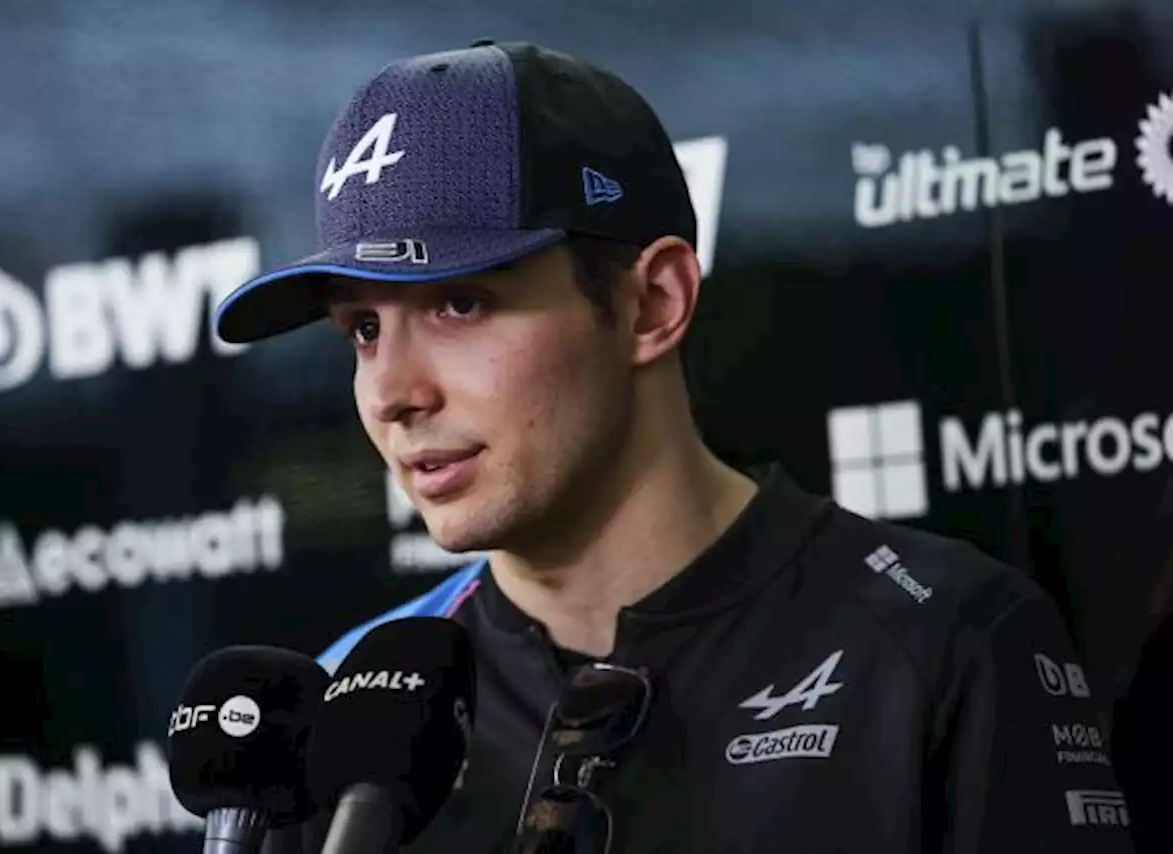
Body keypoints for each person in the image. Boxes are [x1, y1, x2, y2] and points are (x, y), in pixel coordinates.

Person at [216, 40, 1134, 854]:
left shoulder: (947, 646)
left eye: (461, 304)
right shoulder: (346, 705)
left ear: (653, 302)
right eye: (363, 331)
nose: (391, 393)